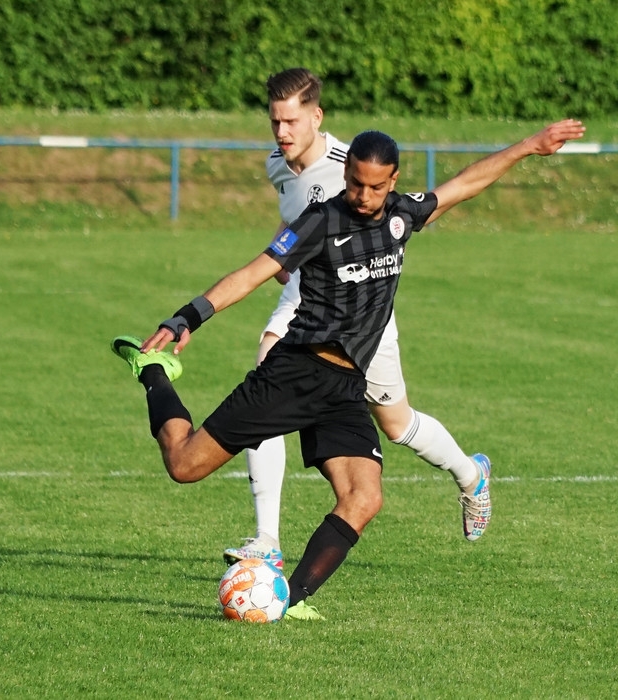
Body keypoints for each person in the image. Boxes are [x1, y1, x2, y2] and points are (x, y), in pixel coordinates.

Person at [111, 118, 586, 620]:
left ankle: (287, 600)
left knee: (364, 497)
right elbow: (253, 273)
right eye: (356, 183)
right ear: (346, 175)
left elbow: (465, 184)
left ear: (393, 180)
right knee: (184, 465)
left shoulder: (403, 215)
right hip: (294, 373)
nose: (363, 195)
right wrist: (187, 317)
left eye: (375, 187)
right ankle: (153, 371)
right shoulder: (319, 222)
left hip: (344, 387)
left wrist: (529, 146)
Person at [225, 68, 494, 572]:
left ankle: (470, 474)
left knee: (397, 424)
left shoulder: (352, 167)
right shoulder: (277, 164)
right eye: (275, 121)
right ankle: (266, 539)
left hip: (362, 319)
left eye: (291, 121)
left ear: (316, 117)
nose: (282, 131)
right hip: (307, 304)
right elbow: (296, 215)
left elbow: (397, 215)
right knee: (265, 379)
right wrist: (284, 254)